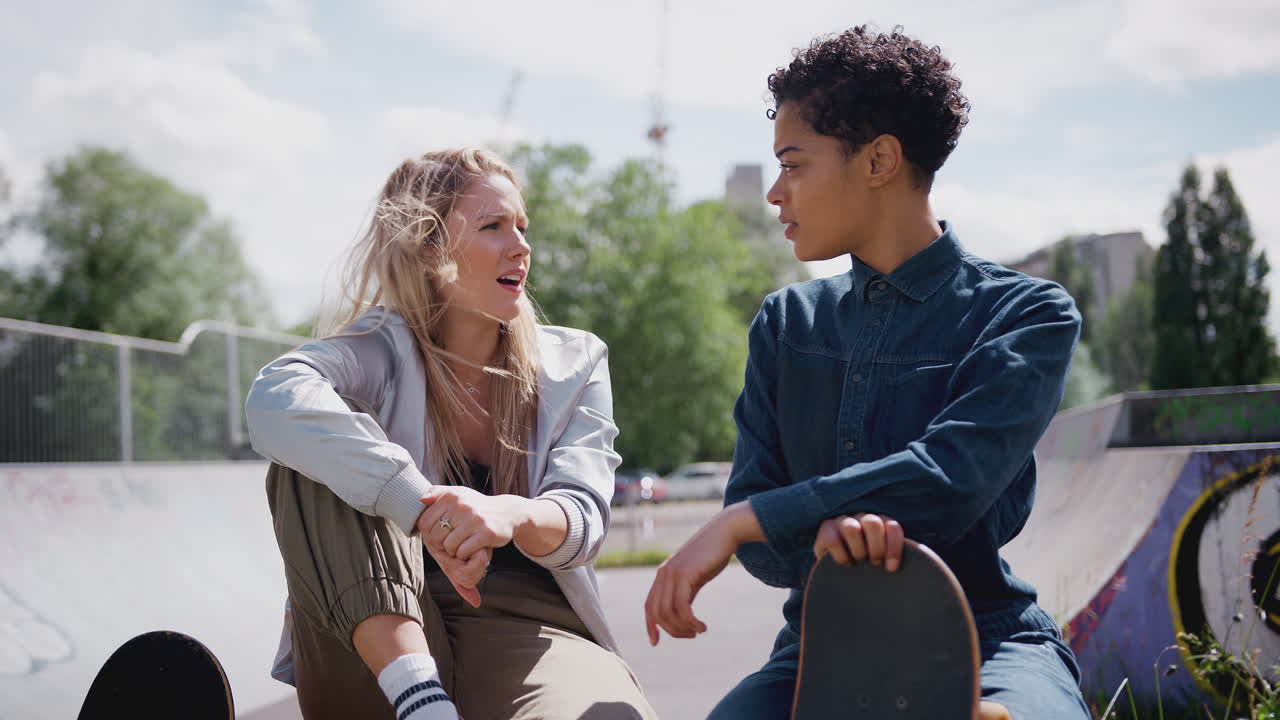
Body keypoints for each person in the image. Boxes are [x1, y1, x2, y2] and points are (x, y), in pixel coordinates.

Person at [643, 26, 1093, 719]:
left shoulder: (1028, 313)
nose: (774, 192)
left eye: (793, 165)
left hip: (991, 641)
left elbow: (951, 479)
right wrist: (822, 535)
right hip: (820, 650)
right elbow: (765, 549)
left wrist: (753, 520)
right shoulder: (787, 324)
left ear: (879, 159)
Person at [246, 148, 656, 720]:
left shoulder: (574, 362)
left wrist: (510, 514)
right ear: (429, 248)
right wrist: (419, 506)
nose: (522, 246)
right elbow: (273, 400)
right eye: (493, 227)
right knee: (313, 453)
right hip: (375, 629)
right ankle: (424, 703)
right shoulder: (376, 350)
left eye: (522, 226)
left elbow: (584, 520)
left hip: (527, 624)